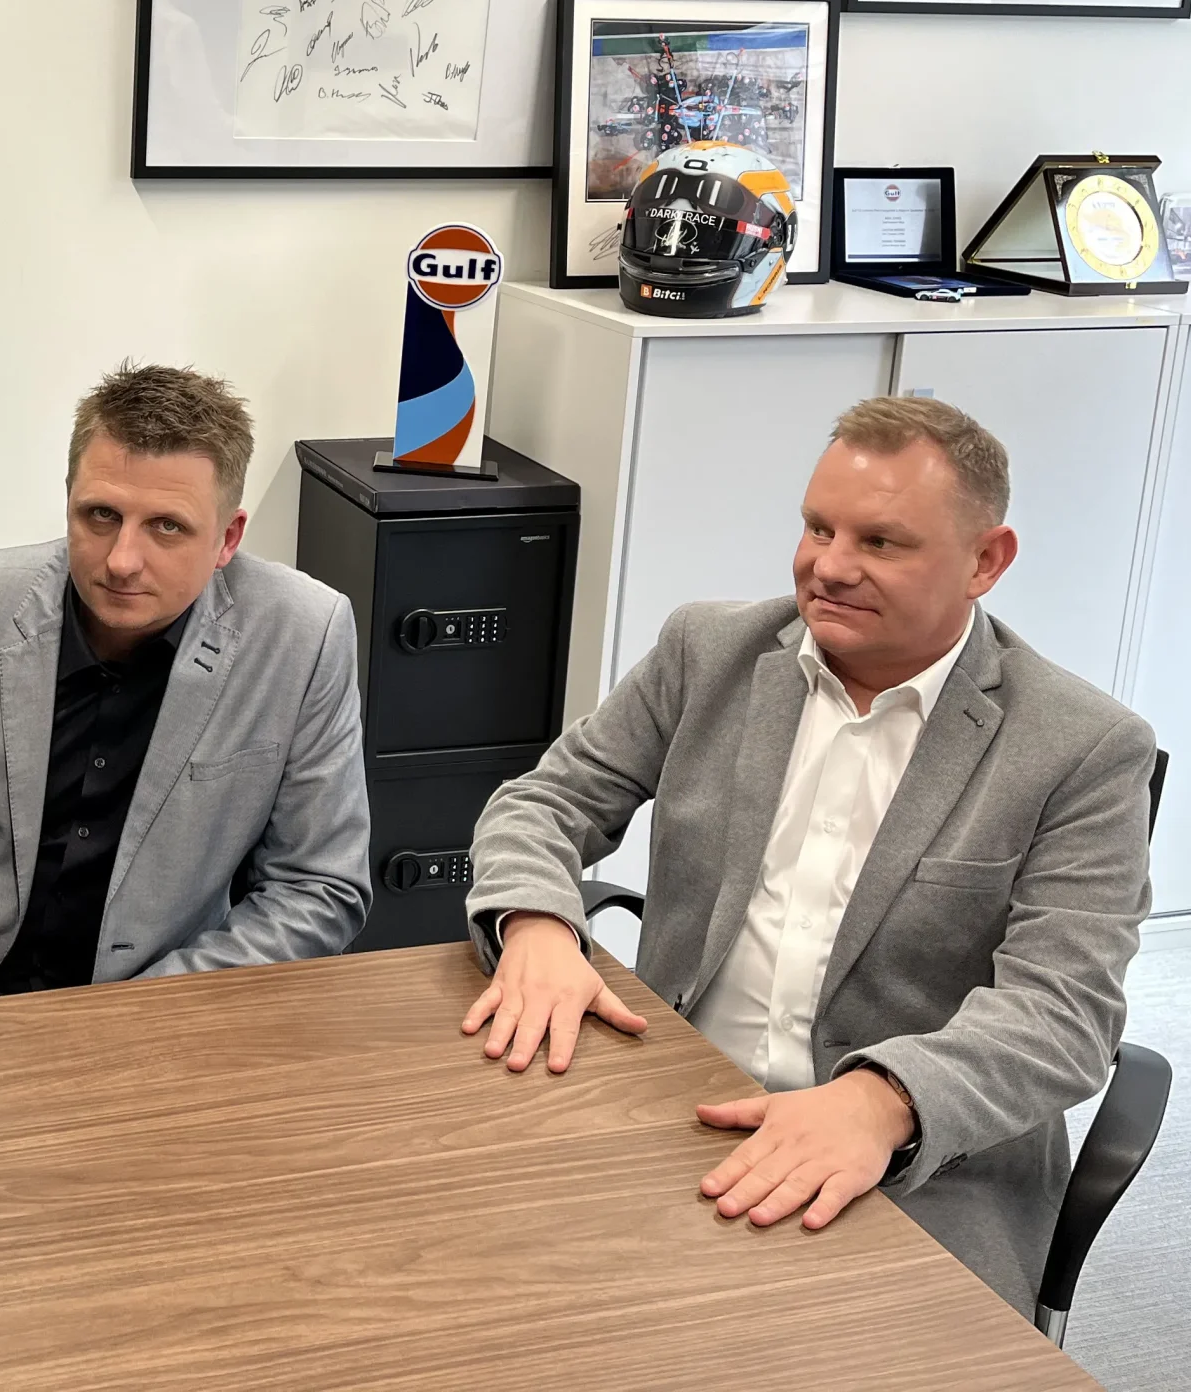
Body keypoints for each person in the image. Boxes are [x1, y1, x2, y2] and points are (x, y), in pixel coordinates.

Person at [459, 395, 1153, 1312]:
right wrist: (538, 923)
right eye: (818, 527)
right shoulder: (708, 651)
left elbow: (1064, 1011)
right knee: (476, 1279)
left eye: (880, 542)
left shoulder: (1082, 746)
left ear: (986, 561)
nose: (828, 566)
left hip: (915, 1159)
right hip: (669, 1094)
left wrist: (886, 1099)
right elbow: (546, 801)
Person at [0, 362, 372, 1014]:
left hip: (159, 1014)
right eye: (101, 515)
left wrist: (128, 1026)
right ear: (69, 500)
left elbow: (316, 887)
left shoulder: (302, 636)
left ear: (227, 537)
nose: (121, 560)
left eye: (167, 526)